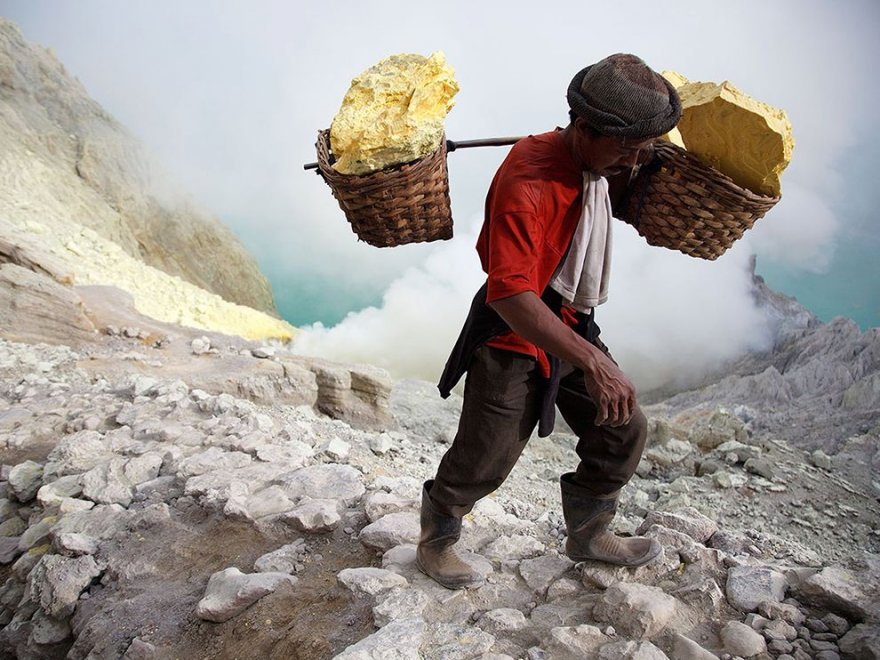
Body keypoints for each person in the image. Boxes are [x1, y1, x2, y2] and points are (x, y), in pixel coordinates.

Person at [417, 54, 682, 589]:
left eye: (641, 147)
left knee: (623, 427)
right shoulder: (528, 181)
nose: (634, 160)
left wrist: (643, 155)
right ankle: (437, 535)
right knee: (486, 454)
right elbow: (510, 293)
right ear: (584, 128)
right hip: (515, 328)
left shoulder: (596, 162)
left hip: (567, 317)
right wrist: (593, 361)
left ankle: (588, 532)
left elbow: (629, 168)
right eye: (626, 147)